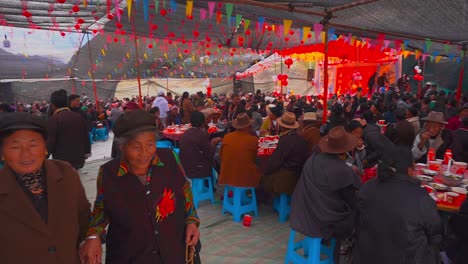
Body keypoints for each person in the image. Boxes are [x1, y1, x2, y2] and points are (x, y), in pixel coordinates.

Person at [80, 110, 201, 264]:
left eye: (150, 144)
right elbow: (101, 210)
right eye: (136, 147)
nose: (144, 153)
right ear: (122, 147)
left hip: (175, 250)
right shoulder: (108, 173)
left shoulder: (170, 158)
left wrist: (192, 221)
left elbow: (185, 191)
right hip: (132, 254)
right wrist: (93, 236)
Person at [0, 112, 90, 263]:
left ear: (45, 147)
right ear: (2, 153)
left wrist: (91, 238)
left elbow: (84, 216)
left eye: (33, 144)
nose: (26, 154)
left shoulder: (66, 173)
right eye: (15, 147)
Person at [354, 146, 442, 264]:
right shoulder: (420, 196)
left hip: (368, 255)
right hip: (406, 257)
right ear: (409, 170)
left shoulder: (367, 187)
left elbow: (357, 220)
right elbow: (435, 233)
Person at [290, 126, 360, 262]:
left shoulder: (313, 158)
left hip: (301, 210)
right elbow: (352, 200)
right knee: (355, 215)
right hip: (321, 219)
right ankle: (338, 253)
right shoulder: (341, 170)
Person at [262, 112, 308, 195]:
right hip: (298, 175)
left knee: (263, 177)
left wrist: (265, 169)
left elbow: (275, 162)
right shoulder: (300, 139)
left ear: (282, 126)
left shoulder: (285, 140)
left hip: (286, 178)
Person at [47, 89, 91, 170]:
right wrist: (86, 152)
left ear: (53, 105)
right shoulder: (78, 116)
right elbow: (86, 136)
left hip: (62, 162)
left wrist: (44, 157)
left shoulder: (54, 119)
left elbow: (50, 142)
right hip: (79, 159)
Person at [218, 113, 261, 187]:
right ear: (248, 126)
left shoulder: (227, 137)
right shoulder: (253, 139)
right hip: (245, 178)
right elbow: (254, 159)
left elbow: (221, 155)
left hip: (226, 176)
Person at [180, 112, 221, 179]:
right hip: (198, 170)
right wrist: (213, 143)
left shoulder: (186, 133)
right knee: (217, 156)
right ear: (203, 122)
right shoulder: (202, 134)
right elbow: (210, 154)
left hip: (185, 167)